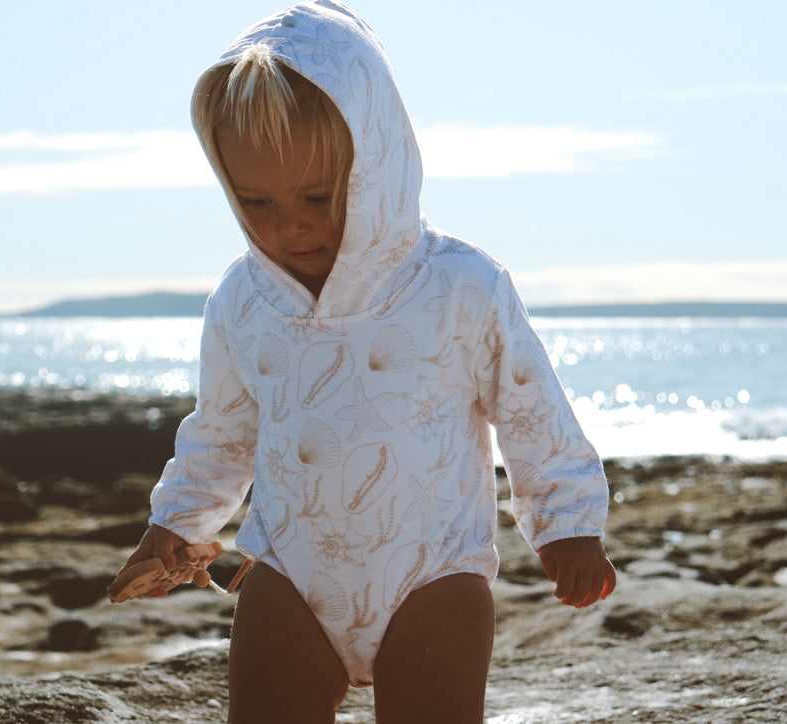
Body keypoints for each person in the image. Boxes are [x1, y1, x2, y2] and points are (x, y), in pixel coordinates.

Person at [112, 1, 616, 721]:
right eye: (257, 201)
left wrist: (568, 520)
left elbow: (529, 403)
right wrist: (179, 525)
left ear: (375, 164)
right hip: (289, 568)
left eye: (318, 195)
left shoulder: (459, 285)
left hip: (432, 573)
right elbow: (222, 432)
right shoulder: (243, 301)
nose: (291, 223)